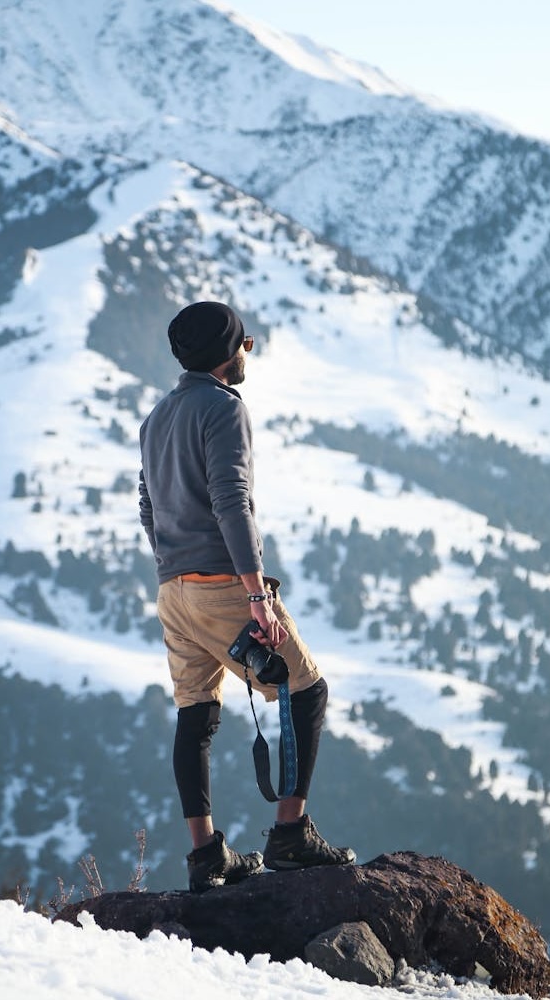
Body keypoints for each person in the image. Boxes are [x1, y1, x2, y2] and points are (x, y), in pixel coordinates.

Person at [138, 300, 355, 892]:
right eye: (244, 343)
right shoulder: (224, 408)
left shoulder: (155, 418)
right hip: (223, 587)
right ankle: (290, 834)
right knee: (306, 690)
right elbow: (232, 501)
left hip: (173, 592)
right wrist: (256, 594)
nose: (246, 352)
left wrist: (173, 565)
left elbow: (148, 508)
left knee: (196, 715)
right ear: (226, 353)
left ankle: (206, 856)